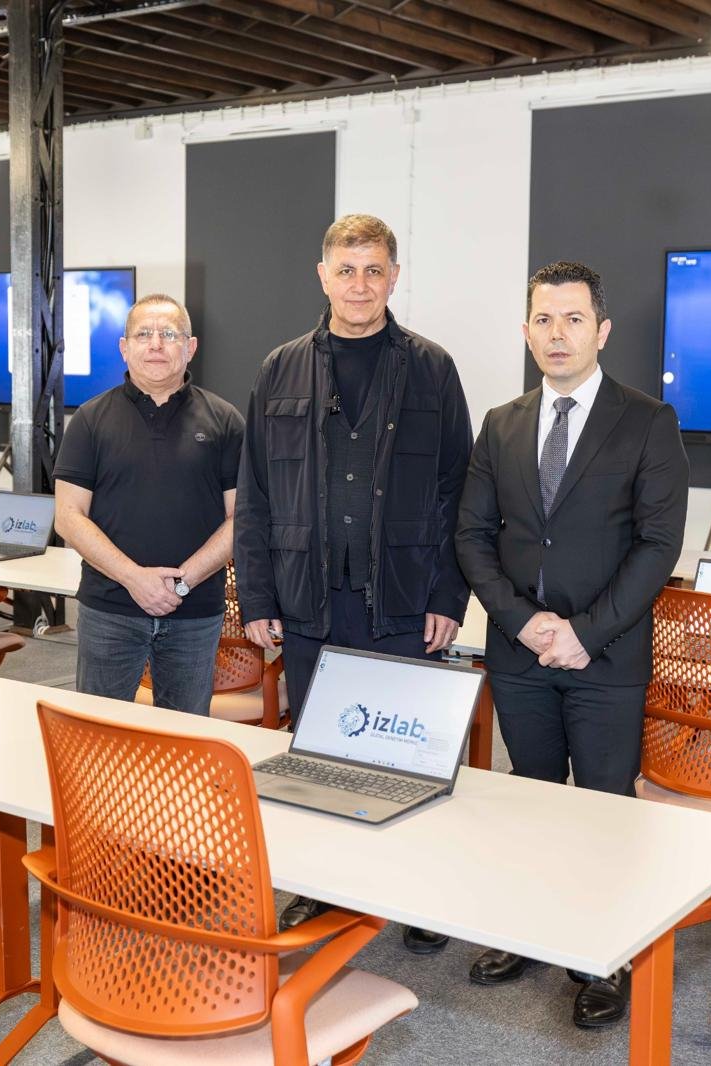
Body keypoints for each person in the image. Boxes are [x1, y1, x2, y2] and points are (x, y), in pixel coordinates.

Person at [454, 261, 690, 1029]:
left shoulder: (648, 421)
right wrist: (522, 622)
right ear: (526, 333)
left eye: (574, 319)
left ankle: (603, 955)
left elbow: (658, 545)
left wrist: (585, 634)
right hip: (519, 651)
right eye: (544, 320)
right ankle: (531, 928)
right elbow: (472, 536)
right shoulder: (502, 422)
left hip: (606, 657)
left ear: (602, 330)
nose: (558, 334)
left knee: (602, 804)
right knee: (530, 794)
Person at [234, 213, 473, 943]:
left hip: (403, 597)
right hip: (308, 599)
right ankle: (323, 888)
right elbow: (256, 493)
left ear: (394, 278)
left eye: (374, 270)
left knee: (408, 757)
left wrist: (449, 595)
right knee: (319, 753)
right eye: (347, 270)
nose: (360, 285)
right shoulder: (280, 368)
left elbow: (460, 493)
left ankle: (417, 895)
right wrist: (258, 595)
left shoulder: (432, 368)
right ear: (323, 276)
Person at [54, 293, 244, 715]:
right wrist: (134, 579)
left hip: (194, 612)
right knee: (99, 734)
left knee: (185, 737)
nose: (156, 344)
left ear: (190, 347)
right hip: (110, 609)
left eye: (169, 334)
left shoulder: (226, 421)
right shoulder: (89, 420)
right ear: (125, 347)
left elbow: (241, 518)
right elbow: (68, 517)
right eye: (143, 334)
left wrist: (181, 583)